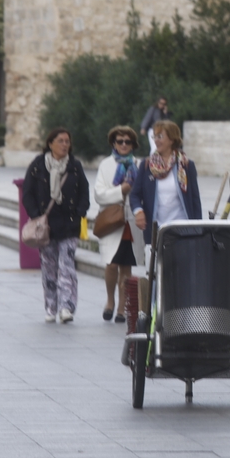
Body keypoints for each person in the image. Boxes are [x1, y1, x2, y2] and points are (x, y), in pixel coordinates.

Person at [22, 128, 91, 324]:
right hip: (46, 226)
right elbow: (27, 193)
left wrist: (80, 212)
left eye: (67, 141)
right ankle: (51, 307)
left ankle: (66, 307)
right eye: (60, 141)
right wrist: (36, 215)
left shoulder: (74, 166)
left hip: (69, 225)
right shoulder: (38, 166)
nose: (64, 145)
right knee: (49, 267)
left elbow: (84, 191)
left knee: (67, 266)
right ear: (50, 143)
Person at [94, 126, 145, 323]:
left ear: (133, 144)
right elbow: (99, 194)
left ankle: (123, 308)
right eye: (119, 141)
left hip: (130, 221)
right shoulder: (106, 165)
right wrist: (121, 190)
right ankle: (110, 300)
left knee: (126, 265)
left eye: (128, 142)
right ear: (113, 144)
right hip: (111, 220)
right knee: (111, 262)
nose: (123, 145)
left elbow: (142, 193)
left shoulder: (139, 165)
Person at [130, 120, 202, 254]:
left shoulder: (186, 165)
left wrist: (198, 228)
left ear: (172, 139)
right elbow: (135, 194)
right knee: (159, 272)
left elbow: (194, 199)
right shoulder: (147, 165)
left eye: (160, 136)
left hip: (183, 230)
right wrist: (138, 211)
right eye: (154, 137)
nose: (156, 140)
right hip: (156, 232)